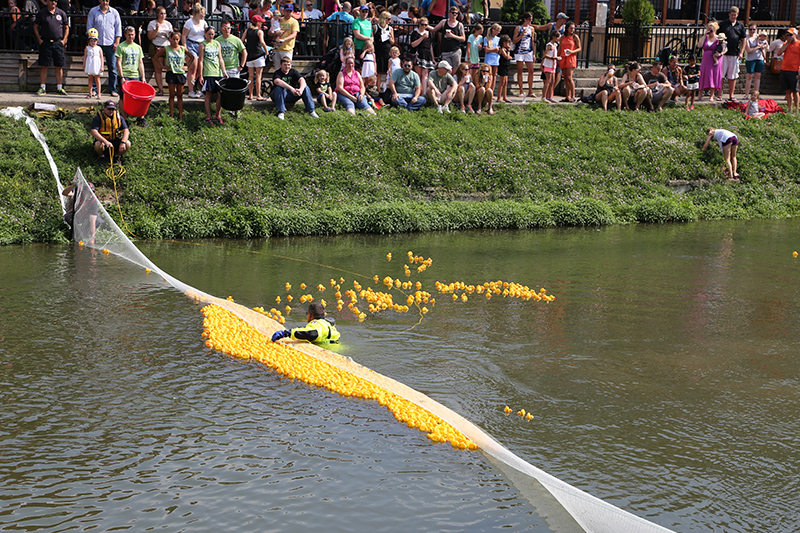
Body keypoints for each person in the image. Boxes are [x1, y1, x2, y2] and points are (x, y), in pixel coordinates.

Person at [33, 0, 69, 96]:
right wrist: (39, 40)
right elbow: (35, 26)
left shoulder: (61, 13)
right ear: (47, 1)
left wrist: (64, 40)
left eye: (55, 1)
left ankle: (60, 87)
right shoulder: (42, 13)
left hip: (58, 43)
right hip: (46, 42)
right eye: (52, 0)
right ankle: (43, 87)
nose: (54, 2)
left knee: (59, 66)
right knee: (44, 65)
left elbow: (66, 27)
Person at [86, 0, 122, 97]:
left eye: (107, 0)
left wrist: (117, 42)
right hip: (96, 44)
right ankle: (94, 90)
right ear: (99, 0)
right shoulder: (93, 11)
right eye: (103, 0)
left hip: (111, 44)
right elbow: (89, 27)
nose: (105, 2)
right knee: (94, 67)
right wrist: (91, 42)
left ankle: (113, 89)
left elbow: (118, 28)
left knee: (113, 68)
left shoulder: (114, 12)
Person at [154, 30, 191, 118]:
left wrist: (187, 66)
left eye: (177, 39)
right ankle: (171, 115)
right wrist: (162, 66)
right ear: (170, 39)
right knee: (171, 94)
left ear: (179, 40)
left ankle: (180, 115)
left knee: (179, 95)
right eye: (173, 39)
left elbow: (191, 56)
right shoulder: (166, 48)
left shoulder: (182, 48)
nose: (175, 41)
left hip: (180, 73)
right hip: (171, 72)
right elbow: (156, 57)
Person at [198, 26, 228, 125]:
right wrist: (201, 75)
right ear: (205, 34)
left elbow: (220, 59)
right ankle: (208, 116)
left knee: (220, 94)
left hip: (218, 72)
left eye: (212, 34)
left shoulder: (217, 44)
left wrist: (224, 71)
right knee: (209, 94)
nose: (211, 36)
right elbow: (201, 61)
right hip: (208, 72)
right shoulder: (203, 45)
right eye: (209, 34)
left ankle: (217, 115)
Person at [271, 302, 340, 345]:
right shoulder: (327, 324)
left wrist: (286, 333)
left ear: (310, 315)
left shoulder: (316, 324)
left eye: (307, 313)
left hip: (326, 351)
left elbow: (312, 333)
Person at [115, 26, 146, 123]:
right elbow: (118, 62)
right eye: (129, 35)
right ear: (125, 35)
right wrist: (121, 76)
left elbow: (140, 62)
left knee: (139, 97)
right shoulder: (121, 46)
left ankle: (140, 117)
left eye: (132, 35)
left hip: (135, 74)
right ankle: (124, 118)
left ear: (135, 35)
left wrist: (143, 77)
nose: (131, 36)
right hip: (125, 74)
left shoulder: (138, 47)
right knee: (123, 97)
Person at [717, 5, 746, 102]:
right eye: (732, 15)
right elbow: (717, 37)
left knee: (732, 76)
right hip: (723, 54)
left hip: (734, 54)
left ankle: (731, 95)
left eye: (735, 15)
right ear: (729, 14)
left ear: (737, 15)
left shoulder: (740, 25)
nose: (733, 16)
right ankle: (719, 94)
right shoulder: (723, 24)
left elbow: (743, 39)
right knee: (721, 75)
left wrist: (742, 52)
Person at [90, 100, 130, 164]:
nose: (111, 111)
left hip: (115, 141)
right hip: (104, 142)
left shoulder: (119, 117)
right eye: (109, 109)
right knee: (97, 144)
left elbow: (126, 131)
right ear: (104, 108)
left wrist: (123, 142)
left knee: (127, 143)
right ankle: (101, 156)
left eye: (113, 109)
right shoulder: (98, 118)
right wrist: (105, 141)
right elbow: (94, 131)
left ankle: (117, 157)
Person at [182, 3, 208, 98]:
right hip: (191, 44)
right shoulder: (189, 22)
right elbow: (184, 35)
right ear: (198, 13)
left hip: (201, 45)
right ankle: (191, 90)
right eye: (203, 13)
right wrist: (185, 47)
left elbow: (206, 34)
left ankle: (199, 89)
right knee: (193, 67)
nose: (204, 15)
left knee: (199, 69)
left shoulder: (204, 23)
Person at [147, 7, 172, 96]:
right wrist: (156, 30)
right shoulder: (152, 23)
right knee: (158, 69)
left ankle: (171, 88)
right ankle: (161, 89)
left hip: (166, 47)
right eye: (161, 13)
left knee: (169, 67)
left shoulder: (168, 24)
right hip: (155, 46)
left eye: (164, 14)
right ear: (157, 14)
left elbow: (172, 38)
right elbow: (150, 37)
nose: (163, 15)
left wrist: (168, 35)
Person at [433, 6, 465, 74]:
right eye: (453, 13)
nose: (454, 15)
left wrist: (453, 36)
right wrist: (425, 26)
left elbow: (463, 38)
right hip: (445, 51)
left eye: (456, 13)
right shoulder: (444, 22)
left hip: (455, 50)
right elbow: (434, 29)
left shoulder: (459, 25)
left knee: (456, 70)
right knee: (447, 70)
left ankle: (453, 84)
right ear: (449, 13)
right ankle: (448, 84)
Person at [243, 15, 268, 100]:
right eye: (260, 21)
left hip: (250, 56)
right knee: (258, 76)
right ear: (257, 22)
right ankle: (258, 95)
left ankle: (250, 95)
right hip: (258, 55)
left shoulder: (247, 30)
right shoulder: (259, 31)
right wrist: (266, 51)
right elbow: (262, 42)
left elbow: (242, 40)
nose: (261, 23)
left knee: (250, 76)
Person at [697, 21, 723, 102]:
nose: (709, 32)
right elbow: (699, 45)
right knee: (703, 75)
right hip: (706, 59)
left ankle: (711, 96)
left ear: (715, 30)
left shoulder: (718, 38)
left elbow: (724, 47)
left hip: (714, 59)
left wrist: (720, 53)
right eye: (708, 30)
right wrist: (705, 35)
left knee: (713, 76)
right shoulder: (705, 38)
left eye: (711, 30)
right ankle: (700, 95)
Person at [512, 12, 536, 98]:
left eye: (531, 19)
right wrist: (521, 35)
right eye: (529, 19)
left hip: (528, 51)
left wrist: (534, 53)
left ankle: (530, 90)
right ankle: (521, 90)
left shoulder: (532, 29)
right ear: (525, 19)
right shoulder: (518, 28)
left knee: (531, 71)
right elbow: (514, 41)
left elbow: (532, 41)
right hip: (519, 51)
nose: (530, 21)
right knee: (520, 71)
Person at [776, 27, 800, 113]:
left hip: (795, 70)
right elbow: (779, 53)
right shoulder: (786, 44)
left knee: (795, 91)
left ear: (795, 35)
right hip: (784, 69)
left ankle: (797, 109)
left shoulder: (799, 44)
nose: (788, 36)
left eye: (790, 35)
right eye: (787, 35)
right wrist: (787, 44)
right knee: (787, 91)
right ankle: (790, 108)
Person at [410, 17, 435, 92]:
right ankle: (419, 92)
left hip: (427, 55)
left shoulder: (429, 33)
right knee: (419, 75)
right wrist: (422, 37)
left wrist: (433, 58)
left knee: (425, 75)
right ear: (419, 24)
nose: (424, 26)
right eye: (422, 24)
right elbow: (413, 44)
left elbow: (430, 47)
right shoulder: (415, 33)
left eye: (425, 25)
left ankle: (423, 93)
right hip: (418, 54)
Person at [559, 20, 581, 103]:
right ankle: (567, 96)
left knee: (569, 77)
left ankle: (573, 95)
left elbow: (579, 48)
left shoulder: (575, 37)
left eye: (573, 28)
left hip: (571, 58)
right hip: (563, 57)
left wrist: (572, 51)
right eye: (571, 28)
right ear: (567, 28)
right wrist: (557, 56)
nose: (572, 30)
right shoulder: (562, 37)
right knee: (565, 77)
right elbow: (560, 47)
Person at [743, 24, 767, 96]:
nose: (752, 31)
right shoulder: (746, 38)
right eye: (750, 29)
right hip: (750, 59)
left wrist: (763, 47)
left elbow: (766, 44)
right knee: (749, 76)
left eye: (754, 29)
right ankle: (747, 94)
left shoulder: (758, 37)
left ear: (756, 30)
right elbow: (748, 50)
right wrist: (758, 47)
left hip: (759, 58)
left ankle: (756, 94)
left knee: (758, 76)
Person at [373, 11, 394, 92]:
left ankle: (385, 90)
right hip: (379, 50)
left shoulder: (390, 28)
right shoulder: (376, 27)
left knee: (386, 72)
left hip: (387, 50)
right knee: (379, 72)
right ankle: (378, 90)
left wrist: (390, 38)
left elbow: (392, 42)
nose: (390, 21)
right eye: (388, 19)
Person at [274, 2, 299, 70]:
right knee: (277, 69)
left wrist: (283, 39)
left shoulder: (294, 22)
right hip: (277, 48)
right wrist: (276, 33)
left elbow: (294, 34)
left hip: (287, 49)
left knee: (286, 69)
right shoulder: (279, 20)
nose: (288, 13)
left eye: (290, 11)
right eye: (287, 11)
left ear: (292, 12)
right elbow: (270, 32)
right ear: (284, 11)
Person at [83, 28, 104, 99]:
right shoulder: (87, 48)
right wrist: (84, 65)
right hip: (90, 64)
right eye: (91, 41)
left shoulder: (99, 48)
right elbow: (85, 57)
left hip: (96, 64)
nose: (93, 42)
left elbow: (101, 58)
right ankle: (90, 92)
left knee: (97, 79)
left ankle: (99, 93)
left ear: (97, 41)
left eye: (94, 41)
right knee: (90, 78)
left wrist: (102, 66)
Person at [541, 29, 561, 103]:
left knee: (552, 81)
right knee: (548, 81)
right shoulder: (550, 45)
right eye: (557, 37)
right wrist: (554, 58)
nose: (558, 38)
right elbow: (545, 55)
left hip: (553, 65)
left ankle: (550, 96)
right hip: (548, 65)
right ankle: (544, 97)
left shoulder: (555, 45)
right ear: (553, 37)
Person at [482, 22, 500, 92]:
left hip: (495, 59)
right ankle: (486, 88)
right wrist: (494, 49)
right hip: (488, 60)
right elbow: (486, 50)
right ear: (493, 29)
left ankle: (491, 90)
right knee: (488, 75)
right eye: (497, 30)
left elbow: (499, 50)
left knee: (494, 76)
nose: (498, 32)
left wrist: (493, 50)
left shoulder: (498, 39)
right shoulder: (486, 38)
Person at [496, 34, 511, 103]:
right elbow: (507, 57)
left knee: (505, 82)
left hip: (506, 66)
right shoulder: (502, 49)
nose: (508, 44)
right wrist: (509, 50)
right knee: (501, 82)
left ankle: (505, 97)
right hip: (502, 66)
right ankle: (499, 97)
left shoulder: (505, 49)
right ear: (504, 42)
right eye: (508, 42)